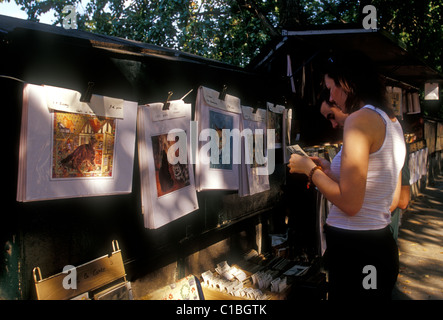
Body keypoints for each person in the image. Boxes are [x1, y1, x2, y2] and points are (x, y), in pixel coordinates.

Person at [288, 51, 406, 300]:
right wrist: (329, 171)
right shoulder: (390, 121)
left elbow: (351, 204)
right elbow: (374, 189)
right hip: (374, 245)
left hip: (357, 250)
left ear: (347, 83)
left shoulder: (359, 120)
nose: (330, 97)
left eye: (331, 88)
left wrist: (308, 170)